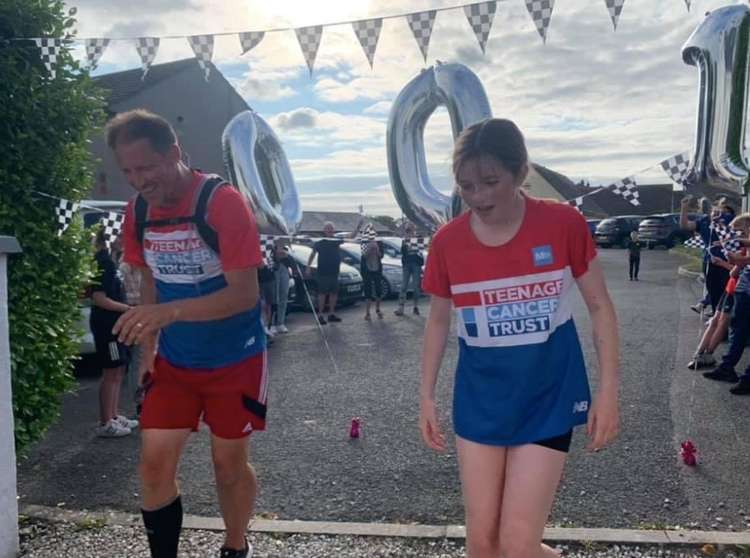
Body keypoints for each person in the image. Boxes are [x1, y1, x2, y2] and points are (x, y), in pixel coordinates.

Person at [419, 119, 619, 558]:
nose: (479, 196)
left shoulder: (563, 222)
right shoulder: (447, 242)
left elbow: (600, 307)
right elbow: (437, 320)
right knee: (481, 543)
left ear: (520, 171)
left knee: (517, 543)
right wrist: (427, 395)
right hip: (480, 400)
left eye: (491, 181)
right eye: (466, 186)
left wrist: (608, 393)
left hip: (548, 396)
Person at [108, 109, 265, 558]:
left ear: (174, 153)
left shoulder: (222, 202)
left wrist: (169, 313)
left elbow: (244, 296)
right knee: (153, 465)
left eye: (147, 167)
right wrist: (149, 351)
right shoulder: (137, 211)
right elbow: (150, 282)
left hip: (236, 357)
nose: (139, 180)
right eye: (129, 171)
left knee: (228, 466)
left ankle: (236, 547)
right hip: (176, 362)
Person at [90, 228, 137, 438]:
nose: (123, 239)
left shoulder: (113, 261)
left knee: (119, 370)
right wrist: (127, 309)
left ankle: (114, 415)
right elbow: (99, 298)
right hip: (107, 326)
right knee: (111, 371)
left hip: (116, 325)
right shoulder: (105, 263)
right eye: (119, 235)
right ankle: (105, 422)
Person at [688, 215, 750, 369]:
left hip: (738, 288)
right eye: (734, 231)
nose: (736, 234)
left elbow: (735, 269)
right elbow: (735, 270)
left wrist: (725, 258)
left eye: (739, 231)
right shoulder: (743, 247)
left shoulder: (744, 247)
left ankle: (709, 354)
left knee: (723, 323)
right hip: (732, 287)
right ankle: (700, 353)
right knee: (716, 320)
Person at [680, 196, 734, 315]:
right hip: (709, 261)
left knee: (725, 292)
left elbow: (737, 234)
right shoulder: (704, 220)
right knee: (713, 292)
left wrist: (724, 241)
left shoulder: (728, 218)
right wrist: (684, 208)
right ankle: (715, 314)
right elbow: (686, 225)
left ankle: (722, 318)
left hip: (726, 261)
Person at [306, 222, 343, 324]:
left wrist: (358, 226)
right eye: (328, 228)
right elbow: (312, 254)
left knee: (334, 294)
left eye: (331, 228)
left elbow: (351, 236)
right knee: (322, 294)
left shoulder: (336, 240)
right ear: (324, 230)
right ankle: (320, 315)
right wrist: (308, 267)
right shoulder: (320, 242)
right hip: (323, 272)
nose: (330, 230)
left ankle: (331, 314)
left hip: (335, 272)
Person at [394, 222, 424, 316]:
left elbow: (421, 250)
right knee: (403, 286)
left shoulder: (419, 238)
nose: (408, 231)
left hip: (416, 264)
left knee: (415, 287)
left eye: (410, 229)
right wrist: (406, 241)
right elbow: (402, 251)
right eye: (407, 230)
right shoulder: (405, 240)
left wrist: (413, 241)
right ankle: (400, 308)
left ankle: (415, 307)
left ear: (413, 229)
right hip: (407, 264)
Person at [271, 241, 292, 334]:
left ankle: (280, 323)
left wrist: (284, 253)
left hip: (284, 269)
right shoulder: (269, 242)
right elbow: (272, 256)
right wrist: (277, 254)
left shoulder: (285, 245)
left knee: (284, 296)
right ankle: (271, 324)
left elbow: (288, 256)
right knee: (274, 297)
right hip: (273, 269)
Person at [361, 238, 384, 321]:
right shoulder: (364, 242)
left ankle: (378, 309)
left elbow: (381, 256)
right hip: (367, 270)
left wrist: (377, 249)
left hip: (377, 270)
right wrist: (369, 248)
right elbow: (363, 256)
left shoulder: (379, 242)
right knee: (368, 291)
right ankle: (367, 313)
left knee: (378, 290)